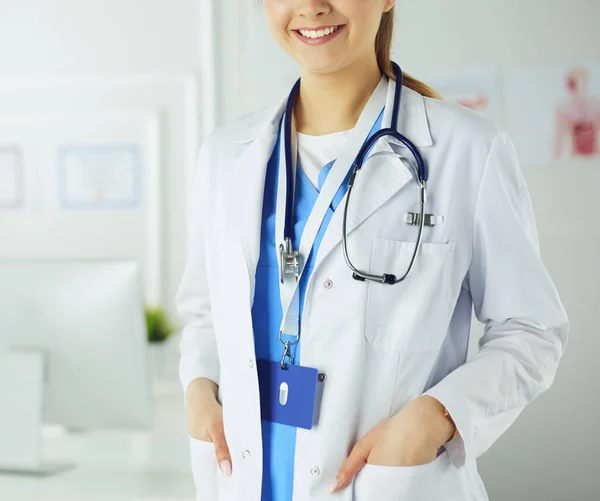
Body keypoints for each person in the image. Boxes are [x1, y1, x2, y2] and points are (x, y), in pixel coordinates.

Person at [177, 1, 569, 500]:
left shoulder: (465, 150)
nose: (311, 7)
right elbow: (205, 313)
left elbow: (532, 330)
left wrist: (438, 416)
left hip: (388, 482)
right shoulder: (225, 156)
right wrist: (199, 388)